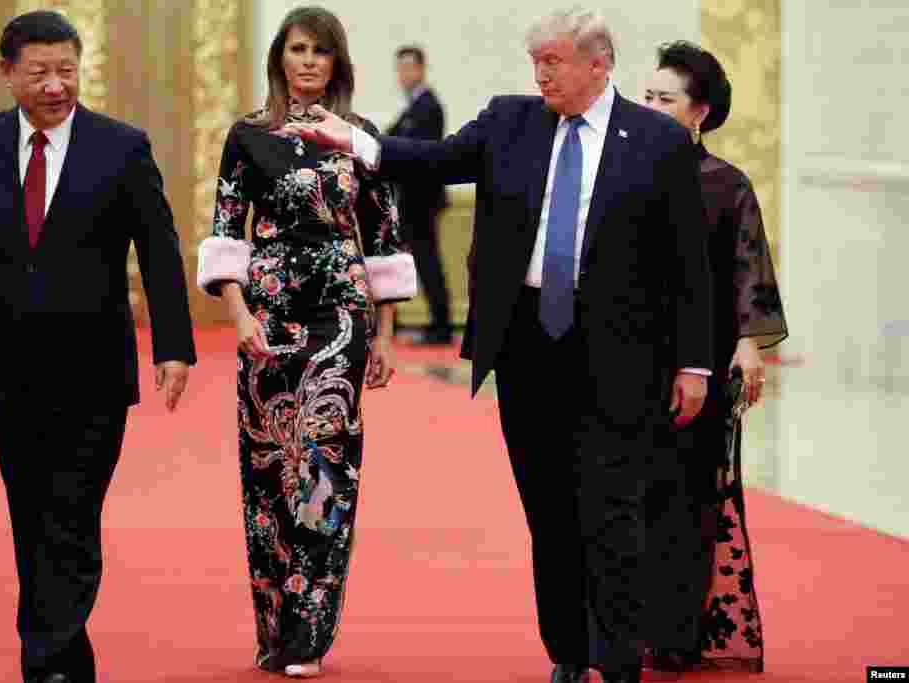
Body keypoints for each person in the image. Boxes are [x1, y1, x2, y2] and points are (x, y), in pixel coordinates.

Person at [286, 8, 713, 683]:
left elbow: (688, 262)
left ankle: (620, 655)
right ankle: (570, 652)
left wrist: (694, 361)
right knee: (550, 509)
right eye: (535, 60)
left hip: (621, 355)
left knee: (613, 508)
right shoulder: (511, 120)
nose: (540, 73)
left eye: (555, 61)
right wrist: (358, 143)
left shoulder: (657, 141)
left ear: (599, 65)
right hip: (527, 350)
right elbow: (435, 160)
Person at [0, 11, 197, 683]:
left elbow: (160, 250)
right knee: (32, 515)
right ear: (7, 73)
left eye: (67, 70)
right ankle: (65, 660)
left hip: (93, 371)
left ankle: (47, 662)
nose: (57, 86)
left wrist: (173, 345)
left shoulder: (122, 147)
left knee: (73, 514)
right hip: (8, 368)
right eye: (39, 72)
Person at [195, 6, 413, 678]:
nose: (310, 61)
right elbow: (227, 231)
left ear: (338, 63)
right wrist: (239, 317)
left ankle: (309, 632)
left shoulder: (363, 137)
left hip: (340, 321)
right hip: (268, 318)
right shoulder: (248, 136)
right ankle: (274, 625)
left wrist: (386, 334)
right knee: (268, 471)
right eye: (298, 48)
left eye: (322, 51)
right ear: (280, 58)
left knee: (324, 467)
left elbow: (383, 239)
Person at [641, 40, 787, 677]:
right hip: (629, 361)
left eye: (663, 98)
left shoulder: (726, 184)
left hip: (701, 360)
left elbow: (747, 269)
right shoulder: (625, 175)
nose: (647, 106)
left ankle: (676, 632)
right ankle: (623, 628)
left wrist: (749, 346)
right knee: (625, 495)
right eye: (644, 96)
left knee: (691, 495)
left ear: (698, 113)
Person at [386, 45, 452, 345]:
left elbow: (414, 149)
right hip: (410, 200)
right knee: (407, 260)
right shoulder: (413, 106)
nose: (403, 74)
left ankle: (441, 325)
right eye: (399, 68)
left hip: (421, 200)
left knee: (427, 262)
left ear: (421, 69)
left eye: (408, 68)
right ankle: (395, 322)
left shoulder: (428, 106)